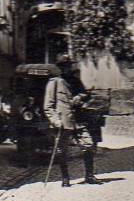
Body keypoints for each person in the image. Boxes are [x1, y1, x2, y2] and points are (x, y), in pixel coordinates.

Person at [43, 53, 102, 187]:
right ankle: (65, 178)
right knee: (62, 151)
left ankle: (89, 176)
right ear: (60, 68)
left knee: (88, 145)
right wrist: (55, 120)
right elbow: (48, 106)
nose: (66, 69)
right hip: (63, 122)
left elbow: (85, 95)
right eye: (64, 66)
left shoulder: (76, 81)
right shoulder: (54, 83)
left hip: (79, 120)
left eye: (68, 66)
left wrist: (80, 98)